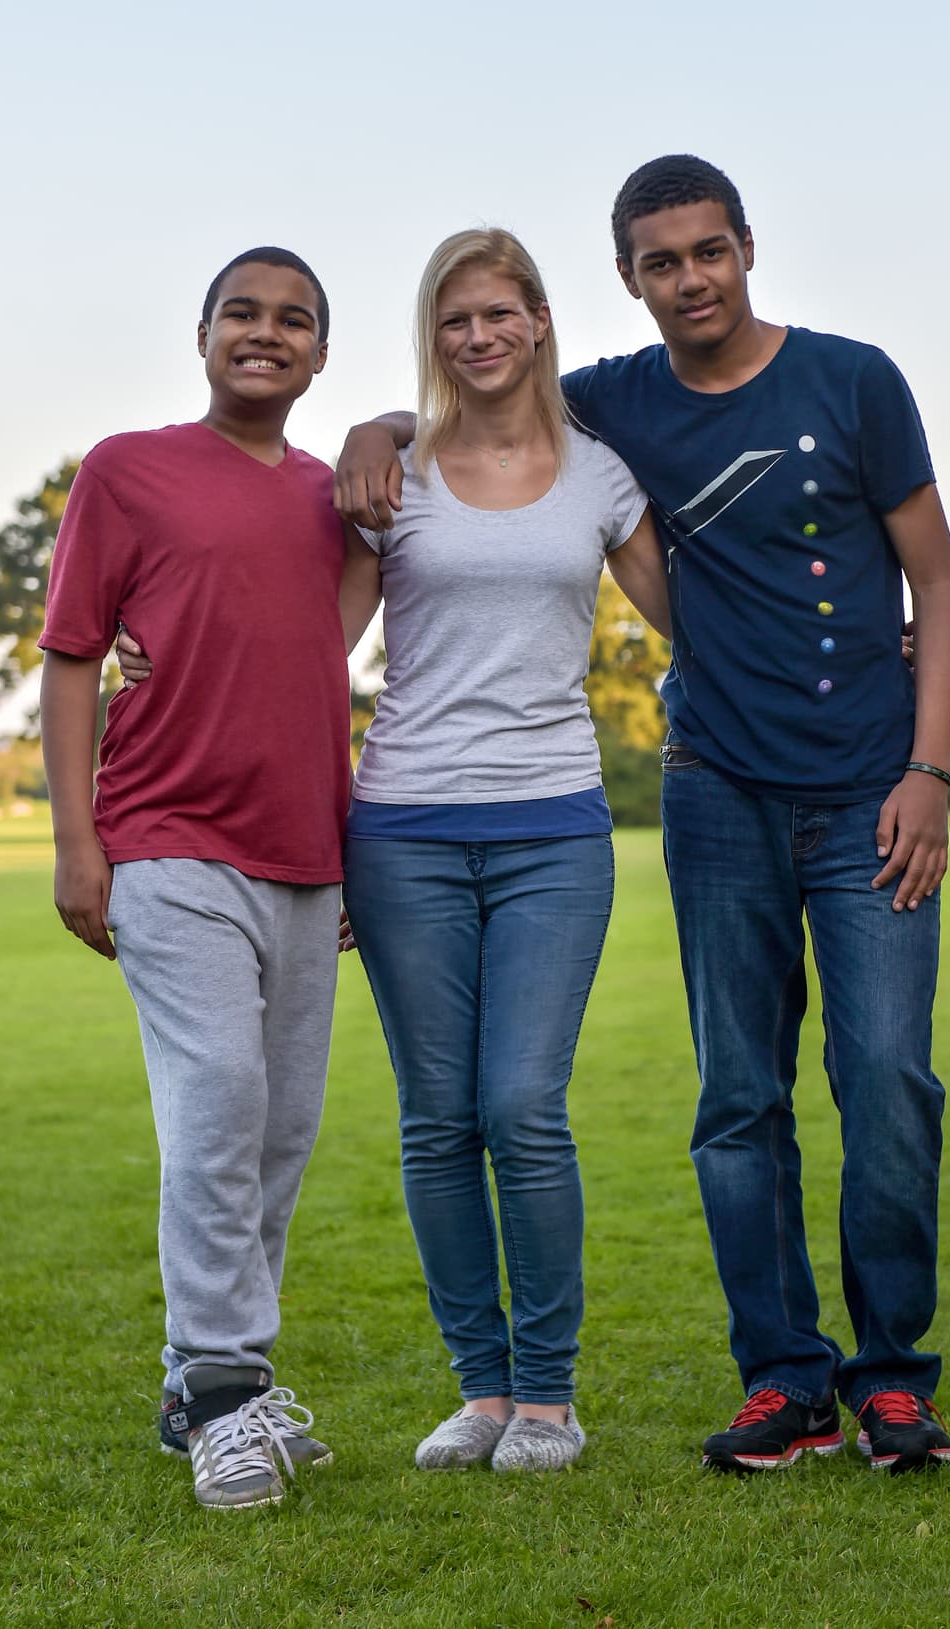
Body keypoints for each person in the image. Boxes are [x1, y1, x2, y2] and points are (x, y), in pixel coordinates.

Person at [335, 156, 950, 1476]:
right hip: (715, 792)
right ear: (626, 280)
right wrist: (376, 428)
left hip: (868, 792)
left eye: (708, 252)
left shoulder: (855, 381)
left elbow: (942, 584)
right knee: (739, 1100)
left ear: (747, 248)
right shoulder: (611, 403)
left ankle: (892, 1376)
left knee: (889, 1085)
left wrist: (930, 771)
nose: (690, 279)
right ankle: (785, 1382)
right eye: (661, 262)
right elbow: (478, 400)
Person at [338, 228, 669, 1473]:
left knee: (521, 1108)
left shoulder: (598, 475)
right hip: (404, 827)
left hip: (552, 829)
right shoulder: (392, 476)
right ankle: (478, 1393)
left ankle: (547, 1395)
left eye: (496, 314)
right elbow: (306, 649)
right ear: (433, 339)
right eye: (450, 321)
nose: (476, 338)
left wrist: (863, 643)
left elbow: (701, 622)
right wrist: (152, 663)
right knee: (435, 1121)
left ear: (536, 318)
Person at [39, 247, 356, 1510]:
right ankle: (228, 1391)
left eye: (293, 321)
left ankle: (199, 1375)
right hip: (165, 840)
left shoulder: (340, 496)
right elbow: (71, 658)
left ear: (320, 355)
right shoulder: (128, 470)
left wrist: (388, 434)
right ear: (203, 332)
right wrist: (76, 843)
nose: (264, 334)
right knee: (219, 1099)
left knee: (278, 1130)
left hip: (307, 858)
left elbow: (314, 645)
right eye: (242, 312)